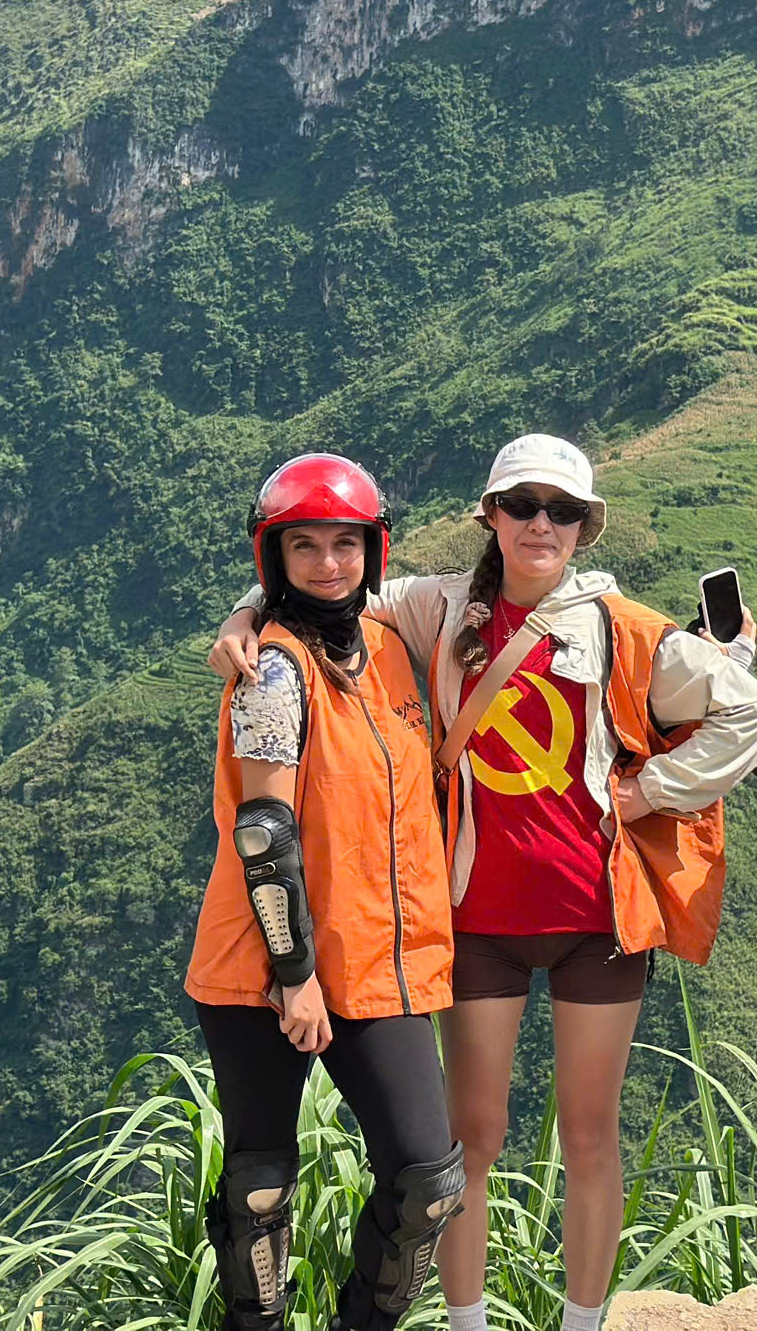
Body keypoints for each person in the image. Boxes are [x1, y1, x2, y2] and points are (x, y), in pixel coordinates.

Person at [215, 433, 757, 1331]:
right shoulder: (437, 607)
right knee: (467, 1144)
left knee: (591, 1136)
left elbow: (750, 708)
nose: (540, 525)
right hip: (474, 915)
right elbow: (322, 576)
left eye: (561, 512)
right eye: (522, 506)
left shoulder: (620, 627)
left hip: (597, 915)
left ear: (586, 527)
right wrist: (245, 621)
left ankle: (584, 1322)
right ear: (491, 515)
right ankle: (469, 1322)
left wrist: (651, 791)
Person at [185, 453, 464, 1331]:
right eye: (303, 546)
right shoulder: (270, 668)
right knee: (261, 1190)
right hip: (269, 962)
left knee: (426, 1181)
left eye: (347, 543)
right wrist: (293, 973)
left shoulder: (388, 646)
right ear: (274, 556)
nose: (328, 563)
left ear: (373, 552)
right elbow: (264, 837)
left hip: (382, 961)